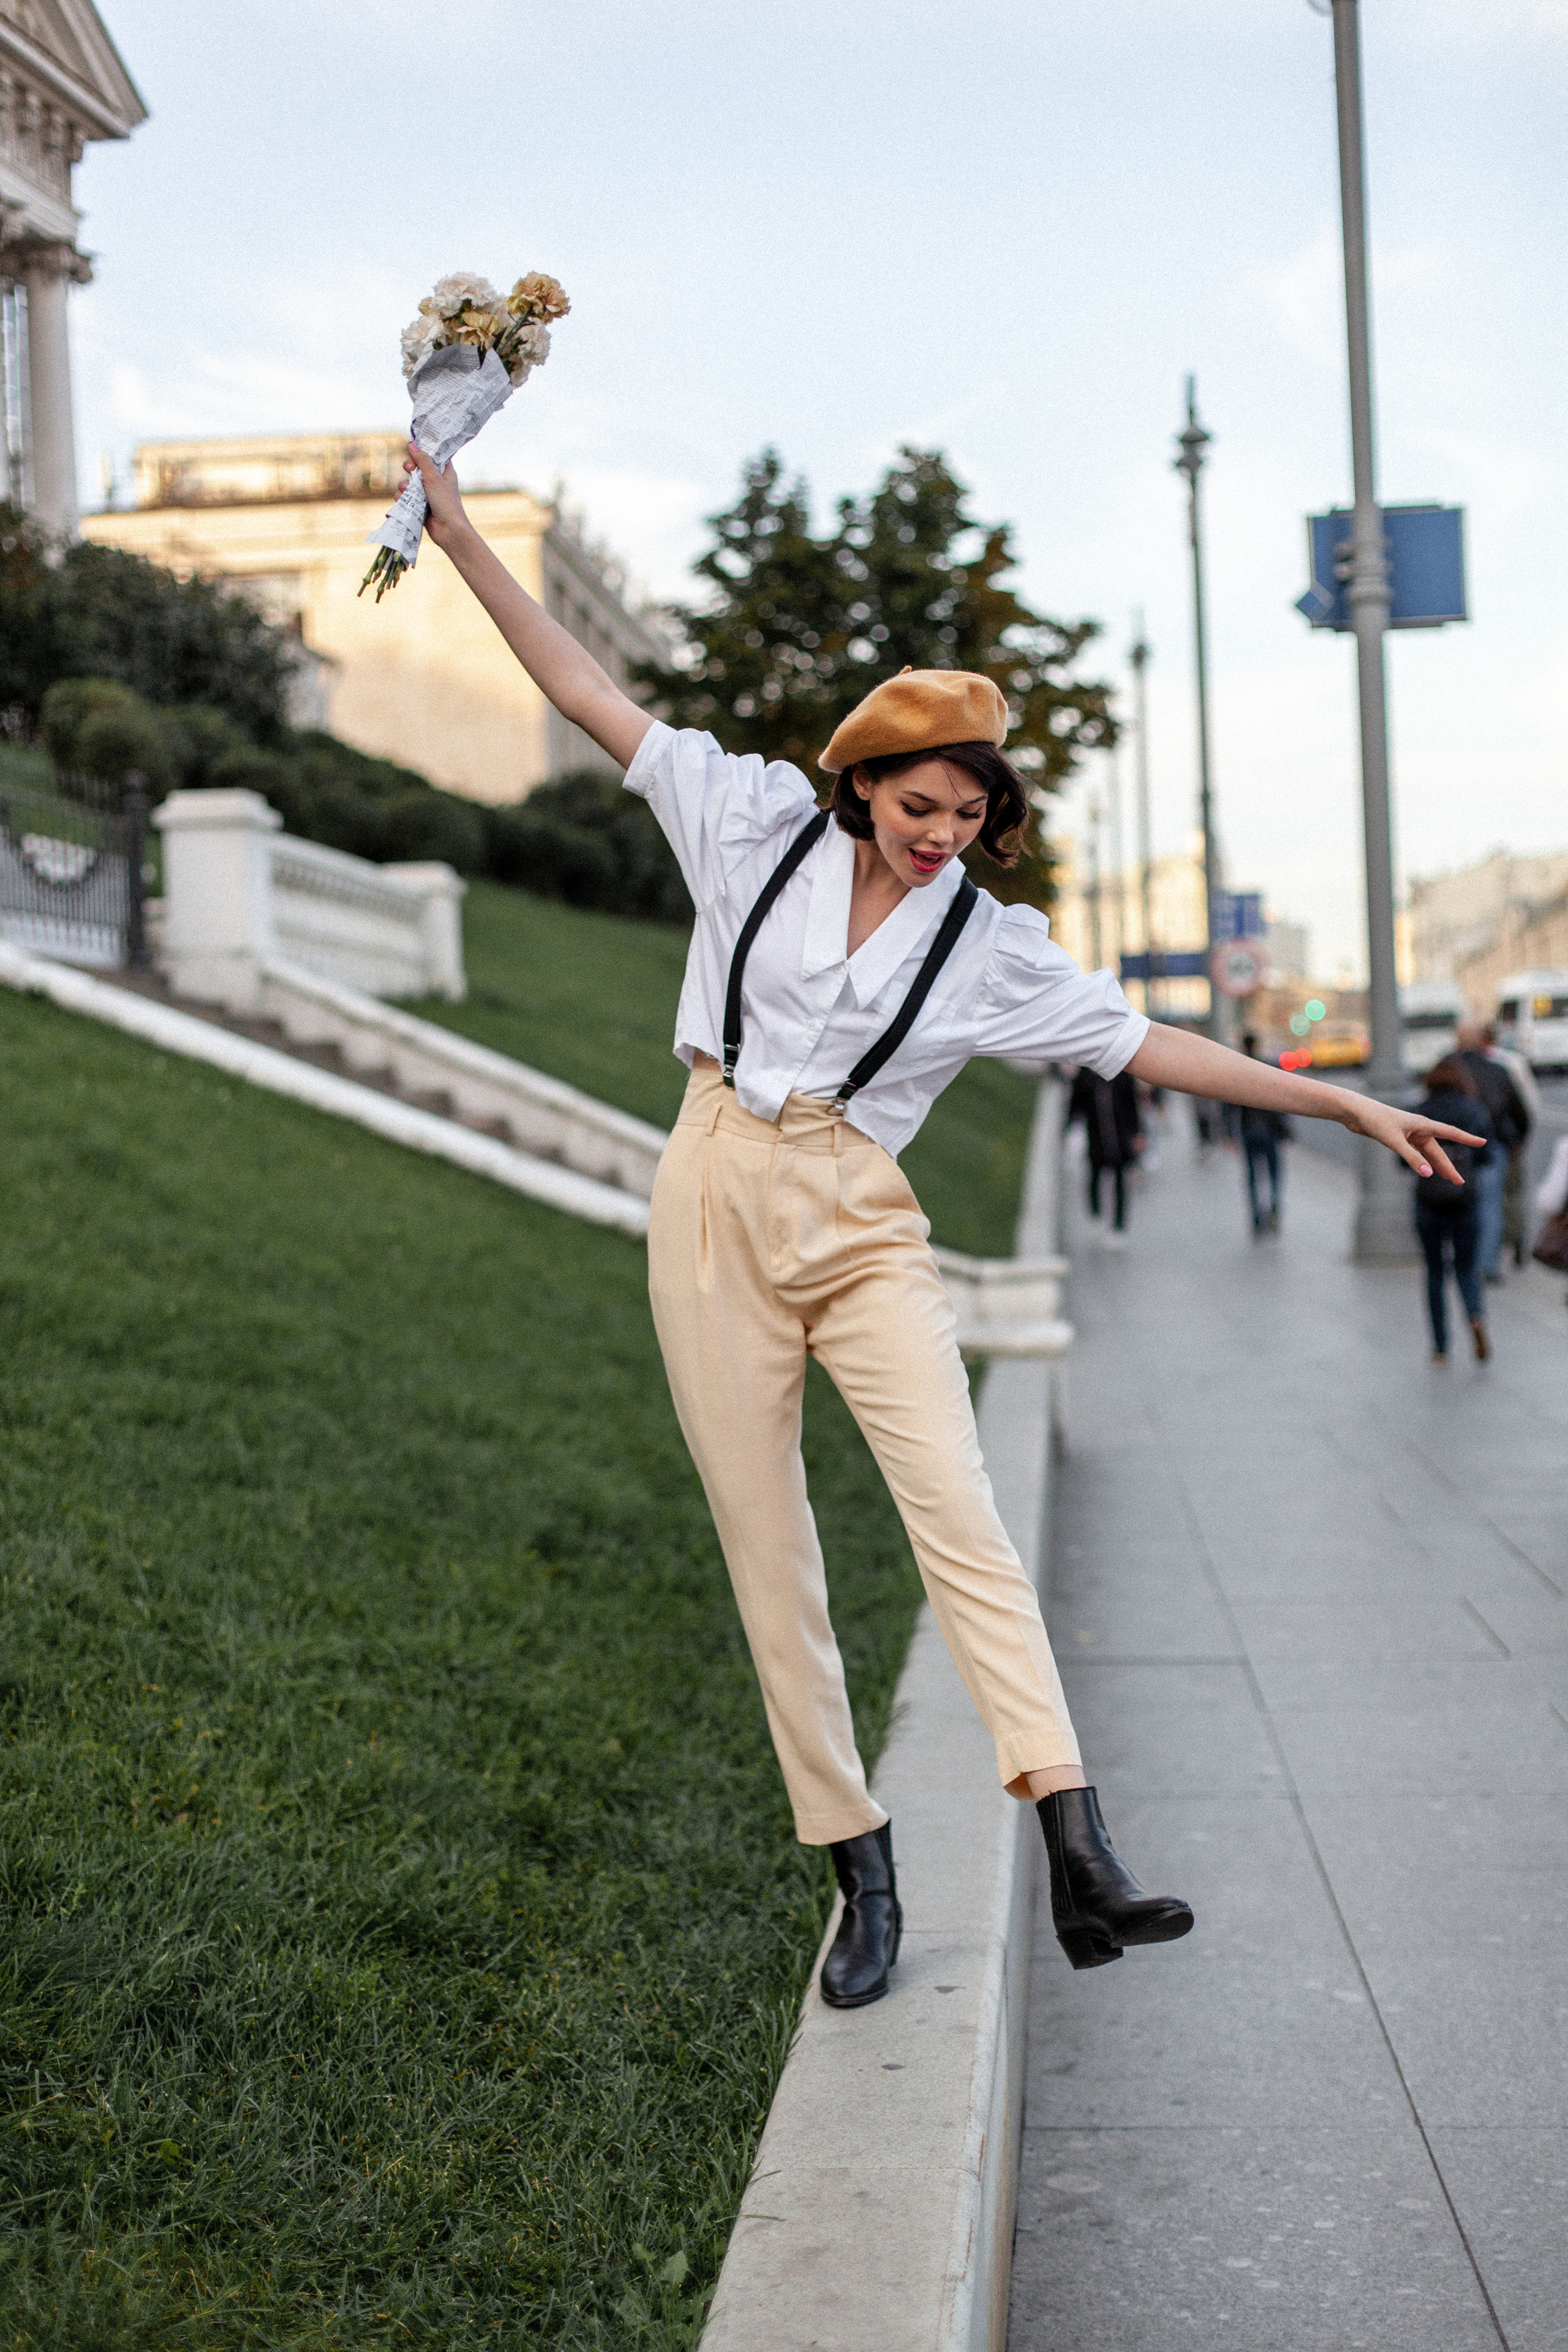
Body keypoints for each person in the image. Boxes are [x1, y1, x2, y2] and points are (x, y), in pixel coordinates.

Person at [405, 442, 1482, 2000]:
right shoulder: (746, 820)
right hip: (710, 1186)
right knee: (766, 1548)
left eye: (968, 818)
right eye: (919, 806)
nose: (940, 836)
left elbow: (1146, 1043)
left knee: (959, 1517)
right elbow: (582, 687)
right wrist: (455, 536)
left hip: (859, 1214)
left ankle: (1075, 1841)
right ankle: (858, 1860)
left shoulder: (988, 944)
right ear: (860, 784)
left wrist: (1345, 1104)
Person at [1412, 1056, 1496, 1363]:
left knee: (1434, 1271)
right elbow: (1487, 1154)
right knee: (1466, 1268)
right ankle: (1475, 1316)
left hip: (1428, 1202)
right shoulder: (1473, 1110)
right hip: (1465, 1201)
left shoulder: (1421, 1111)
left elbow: (1402, 1158)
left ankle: (1440, 1346)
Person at [1455, 1019, 1530, 1284]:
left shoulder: (1446, 1069)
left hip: (1454, 1148)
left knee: (1457, 1203)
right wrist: (1516, 1141)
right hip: (1492, 1146)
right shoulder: (1497, 1070)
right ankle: (1488, 1266)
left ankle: (1462, 1260)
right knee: (1490, 1205)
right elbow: (1519, 1111)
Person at [1476, 1019, 1541, 1270]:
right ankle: (1517, 1244)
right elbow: (1528, 1103)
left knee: (1489, 1199)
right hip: (1508, 1139)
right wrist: (1521, 1138)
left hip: (1486, 1141)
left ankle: (1492, 1256)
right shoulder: (1512, 1061)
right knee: (1512, 1195)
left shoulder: (1468, 1063)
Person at [1067, 1064, 1142, 1246]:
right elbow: (1075, 1104)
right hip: (1096, 1137)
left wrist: (1139, 1133)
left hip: (1120, 1139)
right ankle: (1095, 1214)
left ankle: (1119, 1227)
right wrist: (1067, 1128)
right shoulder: (1085, 1075)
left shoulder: (1122, 1073)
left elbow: (1132, 1104)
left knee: (1120, 1182)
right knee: (1094, 1176)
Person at [1234, 1032, 1292, 1235]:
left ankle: (1257, 1219)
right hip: (1269, 1131)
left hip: (1248, 1131)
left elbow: (1230, 1106)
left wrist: (1228, 1134)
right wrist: (1285, 1130)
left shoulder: (1238, 1071)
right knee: (1274, 1173)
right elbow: (1280, 1103)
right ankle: (1274, 1207)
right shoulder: (1267, 1066)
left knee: (1252, 1177)